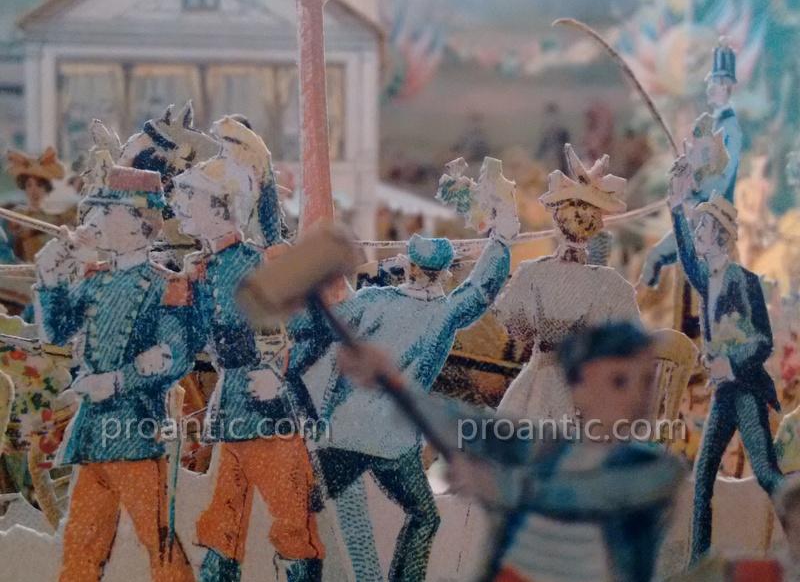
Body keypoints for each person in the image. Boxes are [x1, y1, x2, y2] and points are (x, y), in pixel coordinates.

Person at [338, 321, 686, 582]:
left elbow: (593, 495)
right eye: (619, 381)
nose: (638, 397)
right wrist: (394, 384)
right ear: (580, 386)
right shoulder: (547, 447)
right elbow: (467, 424)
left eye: (646, 380)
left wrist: (502, 487)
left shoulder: (655, 469)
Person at [287, 197, 516, 581]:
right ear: (443, 272)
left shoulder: (373, 299)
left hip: (343, 429)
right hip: (394, 440)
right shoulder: (445, 313)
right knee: (424, 516)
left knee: (303, 508)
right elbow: (479, 290)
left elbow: (318, 324)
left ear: (409, 266)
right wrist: (502, 242)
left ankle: (303, 575)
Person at [170, 117, 324, 582]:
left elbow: (313, 330)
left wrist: (278, 373)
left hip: (271, 412)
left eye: (189, 198)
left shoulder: (260, 267)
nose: (179, 206)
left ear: (220, 208)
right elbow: (192, 340)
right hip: (232, 409)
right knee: (223, 525)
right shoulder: (204, 270)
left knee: (291, 526)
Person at [34, 164, 195, 582]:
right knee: (80, 547)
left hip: (137, 432)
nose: (93, 221)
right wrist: (50, 278)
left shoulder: (166, 286)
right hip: (92, 435)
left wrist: (116, 381)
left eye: (106, 211)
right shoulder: (94, 280)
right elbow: (56, 332)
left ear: (140, 222)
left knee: (158, 544)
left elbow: (174, 354)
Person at [668, 151, 784, 563]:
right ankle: (696, 562)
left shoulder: (743, 280)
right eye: (697, 227)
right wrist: (676, 208)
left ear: (719, 235)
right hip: (723, 393)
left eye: (702, 226)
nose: (698, 233)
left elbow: (763, 342)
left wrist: (730, 364)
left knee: (768, 475)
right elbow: (685, 258)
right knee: (702, 476)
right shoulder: (708, 281)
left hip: (746, 392)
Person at [495, 143, 640, 421]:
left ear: (557, 219)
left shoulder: (533, 274)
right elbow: (629, 343)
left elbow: (516, 328)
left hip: (538, 383)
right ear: (597, 224)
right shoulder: (611, 284)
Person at [641, 39, 742, 289]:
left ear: (728, 86)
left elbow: (722, 177)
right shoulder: (712, 124)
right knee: (654, 258)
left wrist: (694, 188)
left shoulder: (731, 129)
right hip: (697, 210)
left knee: (659, 258)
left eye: (717, 83)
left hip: (712, 217)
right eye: (710, 82)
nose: (711, 88)